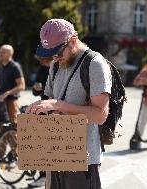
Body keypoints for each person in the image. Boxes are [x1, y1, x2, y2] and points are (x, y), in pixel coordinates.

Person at [26, 18, 112, 189]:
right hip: (55, 152)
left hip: (82, 159)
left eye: (58, 52)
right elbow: (51, 101)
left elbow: (100, 115)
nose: (55, 58)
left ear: (73, 40)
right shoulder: (55, 65)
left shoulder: (94, 64)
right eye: (51, 53)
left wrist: (60, 105)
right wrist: (36, 111)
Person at [0, 44, 25, 164]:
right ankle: (0, 156)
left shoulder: (15, 67)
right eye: (0, 52)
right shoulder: (2, 67)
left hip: (11, 103)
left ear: (10, 54)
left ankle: (16, 155)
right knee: (2, 129)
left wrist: (7, 93)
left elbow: (21, 86)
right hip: (1, 103)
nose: (0, 54)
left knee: (12, 129)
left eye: (3, 52)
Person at [28, 56, 52, 188]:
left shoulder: (59, 67)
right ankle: (43, 175)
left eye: (41, 59)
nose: (40, 61)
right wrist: (36, 89)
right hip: (43, 109)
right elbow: (34, 92)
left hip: (56, 110)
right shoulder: (41, 70)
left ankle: (47, 175)